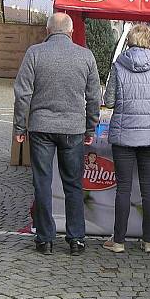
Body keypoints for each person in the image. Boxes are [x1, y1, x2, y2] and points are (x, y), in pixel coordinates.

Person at [13, 13, 100, 256]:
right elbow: (94, 97)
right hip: (73, 128)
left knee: (42, 182)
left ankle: (45, 238)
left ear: (47, 30)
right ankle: (76, 239)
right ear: (71, 32)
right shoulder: (85, 56)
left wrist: (20, 127)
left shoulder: (35, 53)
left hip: (41, 126)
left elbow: (22, 94)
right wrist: (91, 126)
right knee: (73, 184)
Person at [101, 25, 150, 254]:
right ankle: (149, 241)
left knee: (123, 188)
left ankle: (119, 241)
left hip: (124, 135)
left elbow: (109, 101)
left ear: (130, 41)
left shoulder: (119, 65)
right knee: (148, 187)